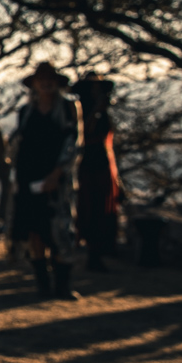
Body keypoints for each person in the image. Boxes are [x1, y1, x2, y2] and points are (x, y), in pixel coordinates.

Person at [10, 63, 84, 299]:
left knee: (61, 230)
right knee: (34, 231)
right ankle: (42, 283)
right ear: (33, 84)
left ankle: (62, 285)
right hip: (28, 176)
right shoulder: (26, 111)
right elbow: (18, 143)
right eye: (40, 79)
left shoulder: (69, 108)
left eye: (50, 78)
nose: (45, 83)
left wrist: (57, 173)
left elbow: (74, 142)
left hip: (58, 179)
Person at [73, 73, 122, 271]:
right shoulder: (80, 112)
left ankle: (99, 253)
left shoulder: (104, 114)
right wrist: (95, 112)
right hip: (87, 167)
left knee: (103, 211)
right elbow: (82, 136)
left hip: (104, 166)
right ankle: (91, 253)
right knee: (88, 209)